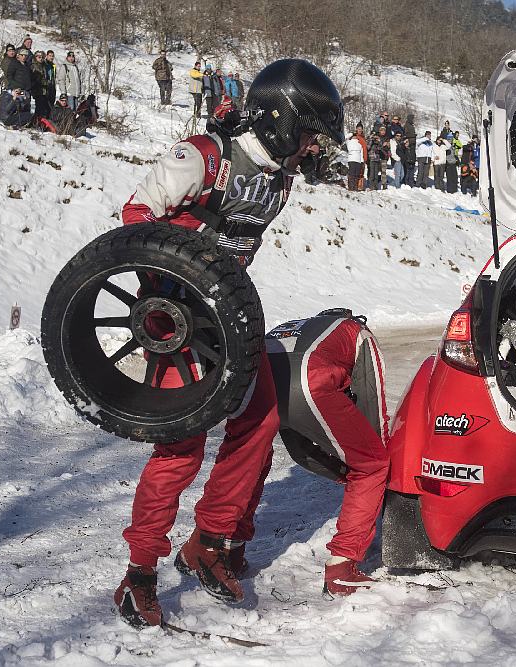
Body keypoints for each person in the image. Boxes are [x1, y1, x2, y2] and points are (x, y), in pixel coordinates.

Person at [113, 58, 346, 630]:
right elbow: (134, 220)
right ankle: (139, 572)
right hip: (177, 321)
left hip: (229, 318)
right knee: (180, 449)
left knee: (262, 417)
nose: (312, 148)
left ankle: (210, 541)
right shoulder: (202, 155)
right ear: (283, 119)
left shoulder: (281, 178)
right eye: (309, 134)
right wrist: (177, 279)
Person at [270, 309, 390, 596]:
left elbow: (300, 446)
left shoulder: (288, 324)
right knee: (372, 463)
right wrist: (364, 465)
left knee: (252, 460)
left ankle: (219, 549)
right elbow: (371, 398)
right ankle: (342, 568)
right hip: (309, 382)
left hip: (258, 383)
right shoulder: (356, 331)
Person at [367, 125, 390, 190]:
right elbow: (368, 146)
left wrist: (380, 142)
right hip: (372, 158)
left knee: (381, 172)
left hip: (380, 157)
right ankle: (371, 185)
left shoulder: (386, 138)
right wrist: (371, 138)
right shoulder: (373, 139)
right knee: (372, 172)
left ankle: (379, 185)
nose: (383, 132)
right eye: (381, 130)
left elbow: (382, 147)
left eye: (384, 130)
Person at [346, 123, 367, 191]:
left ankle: (355, 186)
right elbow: (345, 138)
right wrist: (352, 134)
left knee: (357, 174)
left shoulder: (360, 141)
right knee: (352, 173)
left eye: (361, 129)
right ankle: (350, 187)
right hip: (351, 158)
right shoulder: (349, 141)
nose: (360, 130)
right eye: (358, 129)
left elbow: (361, 151)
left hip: (358, 159)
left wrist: (362, 160)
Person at [30, 51, 50, 119]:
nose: (41, 58)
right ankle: (35, 121)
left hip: (43, 90)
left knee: (44, 108)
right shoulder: (33, 66)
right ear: (35, 57)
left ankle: (39, 121)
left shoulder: (43, 65)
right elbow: (35, 79)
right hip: (37, 90)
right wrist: (45, 82)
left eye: (42, 57)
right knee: (39, 108)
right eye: (39, 57)